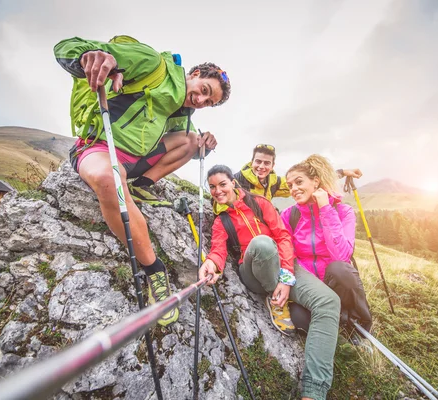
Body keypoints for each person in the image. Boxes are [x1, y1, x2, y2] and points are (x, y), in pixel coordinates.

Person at [54, 35, 231, 326]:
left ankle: (138, 187)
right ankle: (153, 269)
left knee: (190, 139)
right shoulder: (152, 64)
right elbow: (67, 46)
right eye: (203, 90)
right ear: (195, 74)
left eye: (208, 102)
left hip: (134, 159)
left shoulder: (182, 111)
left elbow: (181, 145)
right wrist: (92, 57)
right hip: (100, 146)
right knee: (107, 178)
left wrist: (204, 146)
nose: (200, 100)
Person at [199, 165, 340, 400]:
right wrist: (211, 265)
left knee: (328, 302)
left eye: (222, 184)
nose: (217, 190)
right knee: (262, 243)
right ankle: (275, 299)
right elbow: (217, 251)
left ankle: (314, 392)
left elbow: (283, 236)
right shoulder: (220, 221)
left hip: (284, 266)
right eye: (212, 187)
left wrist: (287, 275)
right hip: (254, 273)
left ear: (233, 183)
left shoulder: (260, 204)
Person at [281, 155, 372, 332]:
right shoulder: (288, 216)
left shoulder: (343, 211)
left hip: (334, 280)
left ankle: (360, 324)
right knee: (300, 321)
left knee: (340, 269)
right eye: (290, 185)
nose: (294, 189)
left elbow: (342, 256)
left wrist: (325, 210)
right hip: (309, 284)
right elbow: (286, 254)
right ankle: (335, 317)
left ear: (316, 182)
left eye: (299, 182)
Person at [234, 144, 363, 201]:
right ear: (252, 162)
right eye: (258, 162)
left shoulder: (274, 183)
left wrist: (344, 172)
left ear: (273, 166)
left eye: (267, 163)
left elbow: (309, 180)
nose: (261, 167)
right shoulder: (236, 180)